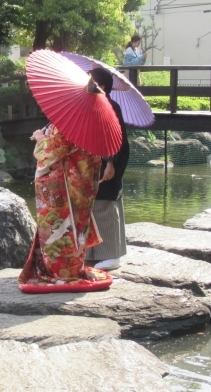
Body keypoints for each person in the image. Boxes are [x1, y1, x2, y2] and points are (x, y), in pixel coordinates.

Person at [18, 123, 112, 292]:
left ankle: (61, 273)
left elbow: (52, 150)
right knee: (78, 224)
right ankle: (76, 268)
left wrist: (40, 138)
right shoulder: (93, 121)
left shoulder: (69, 122)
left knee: (58, 227)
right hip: (83, 181)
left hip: (62, 185)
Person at [84, 67, 129, 271]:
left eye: (91, 80)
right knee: (91, 207)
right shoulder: (90, 104)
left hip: (108, 161)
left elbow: (114, 138)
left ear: (101, 86)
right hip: (91, 162)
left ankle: (112, 255)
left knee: (106, 205)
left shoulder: (110, 106)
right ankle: (92, 253)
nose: (87, 83)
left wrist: (110, 162)